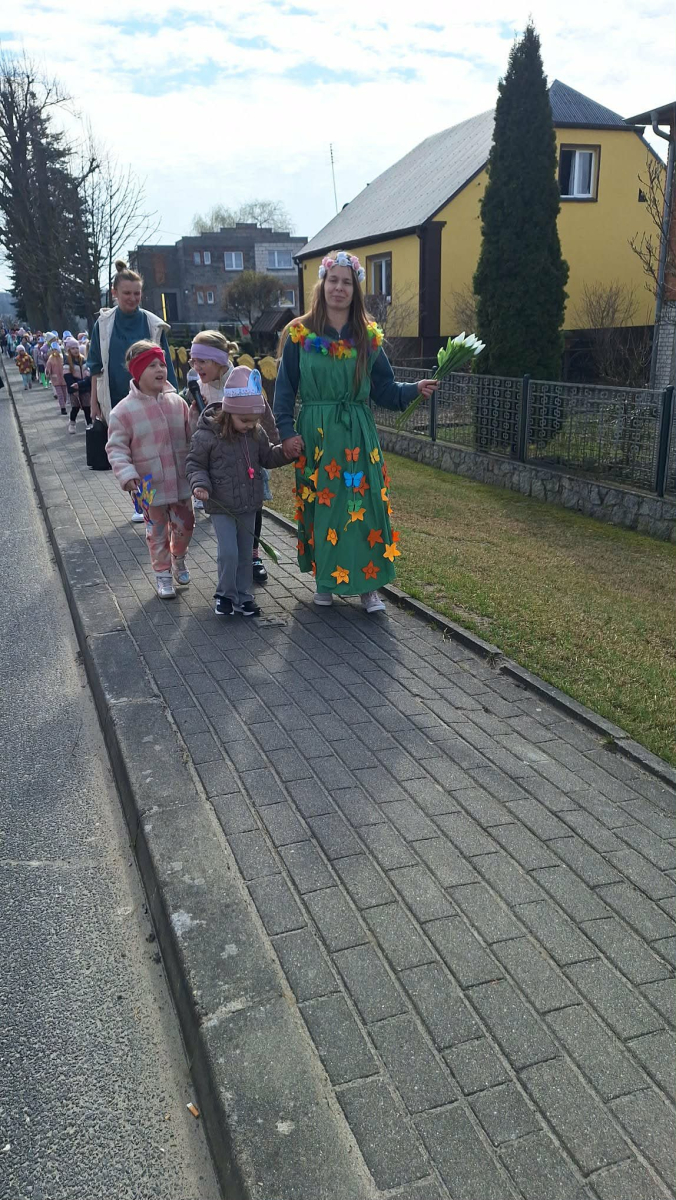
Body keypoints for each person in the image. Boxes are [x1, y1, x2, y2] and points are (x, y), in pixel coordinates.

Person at [273, 250, 437, 614]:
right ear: (322, 284)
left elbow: (385, 389)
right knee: (323, 508)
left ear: (355, 289)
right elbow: (283, 390)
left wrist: (413, 389)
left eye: (346, 282)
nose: (339, 288)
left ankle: (368, 587)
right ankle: (325, 581)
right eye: (333, 280)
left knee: (363, 508)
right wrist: (285, 432)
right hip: (317, 436)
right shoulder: (299, 333)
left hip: (357, 438)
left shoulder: (367, 336)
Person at [186, 366, 295, 617]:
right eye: (244, 420)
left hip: (248, 504)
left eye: (254, 421)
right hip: (221, 505)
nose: (249, 425)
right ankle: (225, 594)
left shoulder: (255, 433)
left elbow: (267, 457)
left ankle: (244, 596)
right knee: (229, 553)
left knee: (246, 554)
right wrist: (200, 485)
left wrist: (286, 453)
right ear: (229, 412)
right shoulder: (208, 435)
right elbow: (195, 464)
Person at [87, 260, 177, 523]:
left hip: (149, 396)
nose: (132, 298)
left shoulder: (152, 323)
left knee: (151, 449)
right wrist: (94, 402)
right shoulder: (104, 324)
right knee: (130, 452)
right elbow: (95, 365)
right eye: (126, 293)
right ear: (115, 293)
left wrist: (173, 393)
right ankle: (142, 502)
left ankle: (156, 500)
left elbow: (166, 363)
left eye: (137, 293)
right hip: (116, 398)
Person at [106, 340, 194, 600]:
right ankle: (163, 575)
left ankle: (179, 558)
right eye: (152, 365)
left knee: (186, 526)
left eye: (162, 365)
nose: (160, 370)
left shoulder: (178, 403)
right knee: (156, 532)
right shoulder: (123, 411)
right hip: (146, 484)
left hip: (180, 480)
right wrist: (127, 475)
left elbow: (192, 437)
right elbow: (116, 448)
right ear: (137, 371)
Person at [63, 337, 92, 433]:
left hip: (84, 387)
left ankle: (89, 423)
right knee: (75, 407)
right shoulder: (67, 362)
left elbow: (87, 373)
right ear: (69, 350)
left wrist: (83, 383)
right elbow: (67, 377)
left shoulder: (83, 360)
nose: (75, 350)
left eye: (77, 348)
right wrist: (73, 387)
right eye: (73, 348)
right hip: (74, 389)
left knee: (87, 407)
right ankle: (72, 423)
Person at [45, 341, 69, 414]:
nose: (54, 351)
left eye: (55, 350)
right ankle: (63, 408)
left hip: (64, 379)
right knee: (60, 394)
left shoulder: (62, 357)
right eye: (53, 350)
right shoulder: (51, 359)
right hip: (56, 379)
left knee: (64, 394)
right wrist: (48, 372)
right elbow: (48, 368)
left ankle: (64, 404)